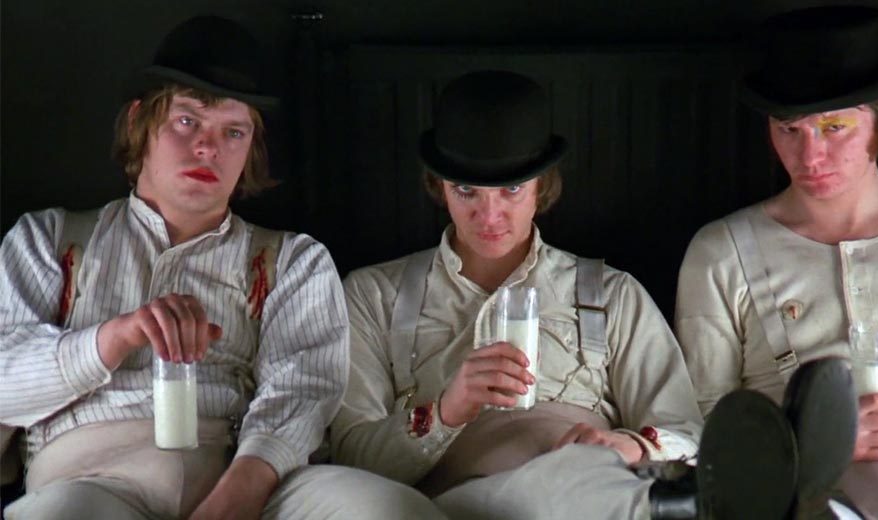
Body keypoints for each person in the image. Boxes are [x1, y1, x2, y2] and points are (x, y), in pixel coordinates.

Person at [0, 15, 438, 519]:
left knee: (388, 509)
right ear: (140, 121)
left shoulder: (292, 261)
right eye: (188, 121)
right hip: (88, 478)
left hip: (244, 476)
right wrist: (116, 336)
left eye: (233, 131)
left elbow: (303, 390)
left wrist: (238, 496)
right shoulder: (48, 240)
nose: (208, 147)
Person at [329, 69, 703, 519]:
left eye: (511, 190)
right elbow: (353, 458)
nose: (490, 216)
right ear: (439, 186)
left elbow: (689, 436)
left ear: (541, 185)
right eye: (466, 190)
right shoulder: (374, 296)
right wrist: (446, 412)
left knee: (593, 481)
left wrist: (628, 445)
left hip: (590, 492)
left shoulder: (612, 294)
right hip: (455, 504)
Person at [674, 6, 878, 519]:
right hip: (803, 497)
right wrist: (805, 438)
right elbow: (698, 428)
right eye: (789, 129)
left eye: (834, 127)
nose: (810, 157)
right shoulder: (721, 252)